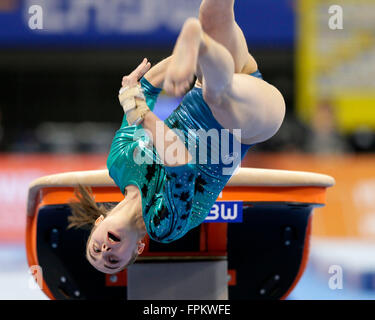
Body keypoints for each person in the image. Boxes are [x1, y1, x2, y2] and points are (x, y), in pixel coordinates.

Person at [68, 0, 285, 274]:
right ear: (138, 249)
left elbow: (142, 90)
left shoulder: (119, 163)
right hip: (248, 123)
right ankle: (199, 45)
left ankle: (200, 46)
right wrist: (138, 108)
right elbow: (179, 161)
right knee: (216, 95)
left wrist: (138, 88)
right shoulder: (163, 225)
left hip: (216, 82)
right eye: (112, 260)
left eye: (95, 249)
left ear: (98, 224)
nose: (105, 250)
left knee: (212, 11)